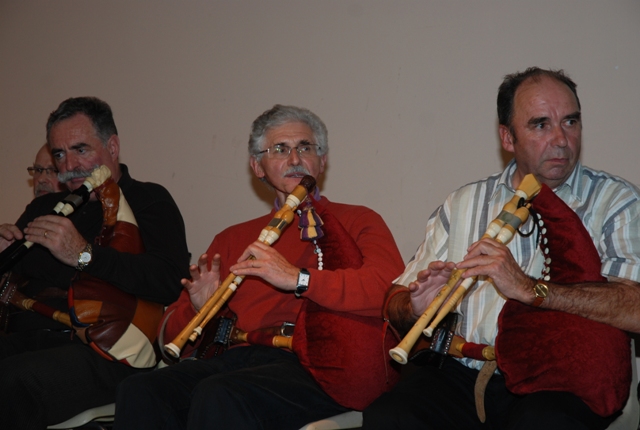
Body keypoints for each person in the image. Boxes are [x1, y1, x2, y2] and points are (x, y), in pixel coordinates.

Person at [363, 67, 640, 430]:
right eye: (540, 125)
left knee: (543, 424)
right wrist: (415, 307)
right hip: (462, 371)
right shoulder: (463, 203)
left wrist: (529, 289)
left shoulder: (617, 201)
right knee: (389, 417)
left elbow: (635, 307)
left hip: (558, 382)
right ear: (508, 137)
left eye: (570, 122)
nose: (561, 139)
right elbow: (395, 300)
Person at [114, 104, 405, 430]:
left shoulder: (359, 219)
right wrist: (201, 311)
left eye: (305, 147)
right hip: (238, 359)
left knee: (221, 395)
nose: (294, 159)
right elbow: (169, 339)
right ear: (258, 166)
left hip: (317, 368)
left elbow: (387, 291)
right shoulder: (231, 238)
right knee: (140, 390)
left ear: (322, 161)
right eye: (280, 149)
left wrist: (299, 278)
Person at [0, 97, 190, 429]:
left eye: (80, 149)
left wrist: (83, 255)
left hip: (107, 350)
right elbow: (21, 275)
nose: (69, 165)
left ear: (112, 147)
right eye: (59, 154)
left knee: (11, 382)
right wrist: (5, 257)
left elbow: (169, 281)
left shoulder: (149, 199)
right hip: (31, 333)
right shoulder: (44, 207)